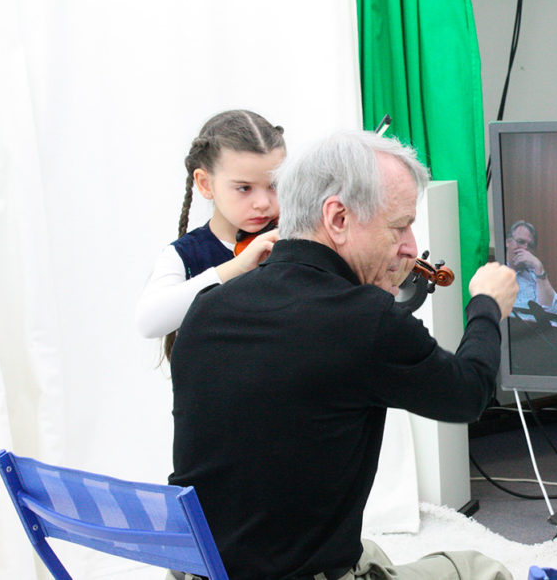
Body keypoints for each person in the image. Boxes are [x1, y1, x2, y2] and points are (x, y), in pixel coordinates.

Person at [168, 130, 518, 580]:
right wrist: (487, 306)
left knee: (368, 549)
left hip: (201, 572)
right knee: (478, 568)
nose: (411, 247)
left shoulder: (206, 309)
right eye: (399, 226)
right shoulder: (364, 322)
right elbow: (468, 394)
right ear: (337, 218)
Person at [135, 110, 285, 359]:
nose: (263, 203)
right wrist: (237, 266)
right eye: (244, 188)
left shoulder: (295, 238)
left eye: (275, 185)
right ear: (205, 184)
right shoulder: (185, 254)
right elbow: (148, 322)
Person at [505, 219, 557, 313]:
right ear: (508, 242)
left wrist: (539, 267)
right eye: (520, 242)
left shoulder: (535, 275)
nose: (525, 248)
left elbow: (554, 311)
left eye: (530, 246)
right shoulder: (494, 274)